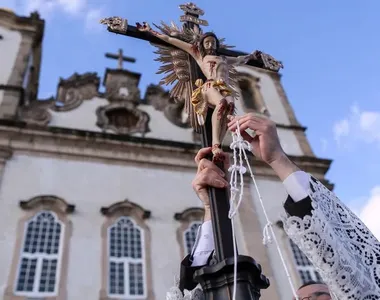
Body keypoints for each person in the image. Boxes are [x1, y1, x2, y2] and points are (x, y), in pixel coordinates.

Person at [174, 113, 380, 300]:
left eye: (321, 298)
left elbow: (351, 260)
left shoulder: (357, 285)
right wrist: (213, 209)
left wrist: (278, 159)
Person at [137, 21, 259, 161]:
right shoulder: (198, 54)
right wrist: (150, 31)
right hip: (210, 86)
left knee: (229, 108)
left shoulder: (224, 58)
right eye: (206, 42)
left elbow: (239, 60)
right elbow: (171, 40)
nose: (210, 45)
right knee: (222, 104)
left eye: (212, 42)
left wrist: (252, 56)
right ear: (202, 44)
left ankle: (219, 142)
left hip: (224, 87)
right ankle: (215, 144)